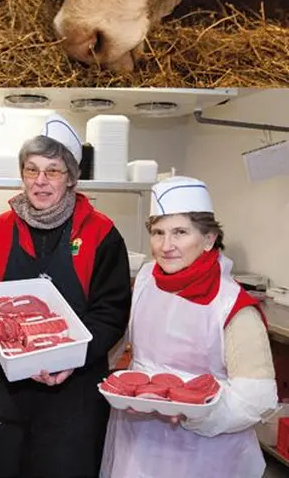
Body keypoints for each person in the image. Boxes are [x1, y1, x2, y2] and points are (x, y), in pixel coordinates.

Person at [0, 114, 132, 477]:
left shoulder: (102, 234)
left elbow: (111, 314)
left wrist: (72, 358)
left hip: (76, 398)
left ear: (72, 177)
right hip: (9, 399)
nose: (40, 181)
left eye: (53, 171)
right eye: (31, 170)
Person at [100, 176, 278, 478]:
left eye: (180, 232)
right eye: (158, 232)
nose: (166, 246)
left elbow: (257, 398)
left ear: (208, 239)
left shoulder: (233, 306)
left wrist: (191, 411)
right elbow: (124, 340)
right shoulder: (146, 278)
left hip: (205, 452)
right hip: (137, 439)